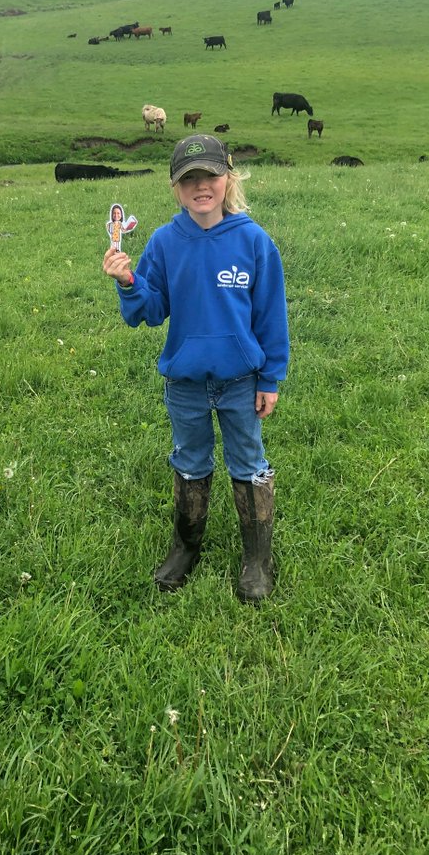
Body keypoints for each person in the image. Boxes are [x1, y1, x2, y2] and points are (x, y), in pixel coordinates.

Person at [102, 134, 289, 602]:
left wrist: (270, 378)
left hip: (240, 381)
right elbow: (148, 311)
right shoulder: (165, 242)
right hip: (185, 383)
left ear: (228, 178)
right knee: (189, 461)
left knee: (248, 462)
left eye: (210, 175)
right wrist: (128, 282)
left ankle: (257, 559)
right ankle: (186, 547)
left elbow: (271, 316)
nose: (201, 186)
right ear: (176, 188)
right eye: (189, 179)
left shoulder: (254, 241)